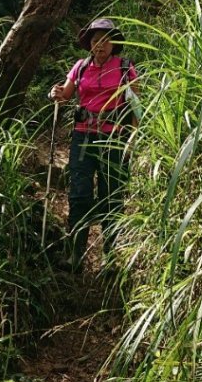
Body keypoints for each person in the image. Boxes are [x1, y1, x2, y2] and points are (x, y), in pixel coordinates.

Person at [50, 17, 140, 272]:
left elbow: (136, 106)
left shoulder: (124, 67)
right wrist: (55, 94)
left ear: (113, 43)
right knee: (79, 194)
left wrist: (133, 138)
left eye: (104, 39)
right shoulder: (80, 67)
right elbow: (65, 95)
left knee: (111, 194)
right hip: (83, 136)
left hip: (114, 137)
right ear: (88, 43)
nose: (99, 45)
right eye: (94, 40)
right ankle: (75, 255)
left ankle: (110, 257)